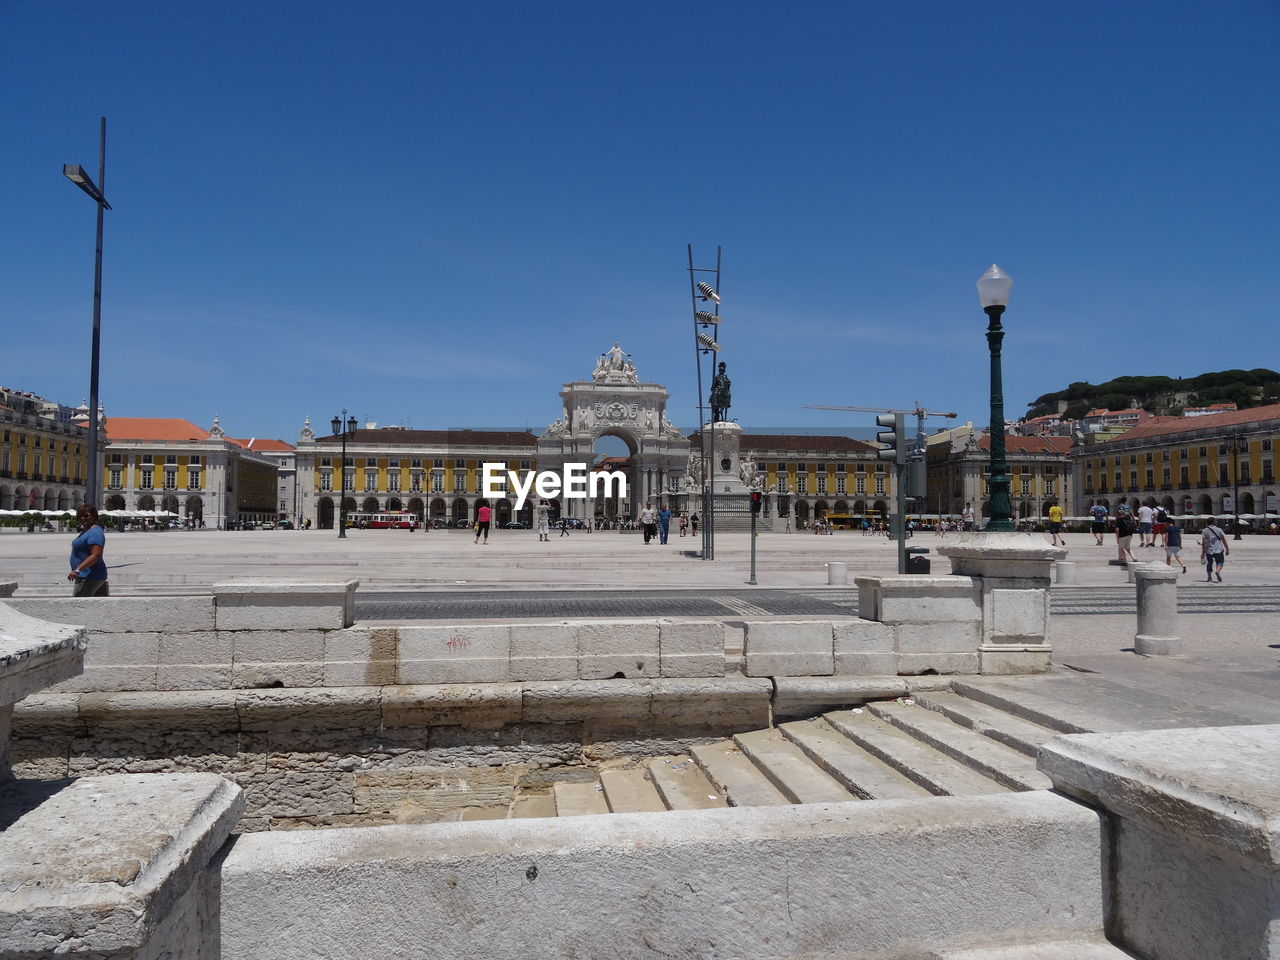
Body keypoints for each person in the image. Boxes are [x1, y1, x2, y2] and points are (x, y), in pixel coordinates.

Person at [68, 504, 109, 597]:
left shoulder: (95, 532)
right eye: (80, 516)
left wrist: (77, 570)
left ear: (94, 515)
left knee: (79, 605)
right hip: (87, 575)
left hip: (89, 576)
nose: (83, 518)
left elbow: (95, 556)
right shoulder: (87, 531)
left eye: (86, 515)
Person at [1201, 518, 1229, 582]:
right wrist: (1227, 549)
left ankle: (1209, 577)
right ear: (1213, 522)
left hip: (1209, 550)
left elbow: (1204, 542)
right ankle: (1217, 571)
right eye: (1215, 521)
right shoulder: (1219, 529)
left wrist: (1203, 551)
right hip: (1218, 549)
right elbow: (1223, 540)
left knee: (1209, 564)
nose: (1216, 522)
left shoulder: (1204, 530)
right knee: (1220, 562)